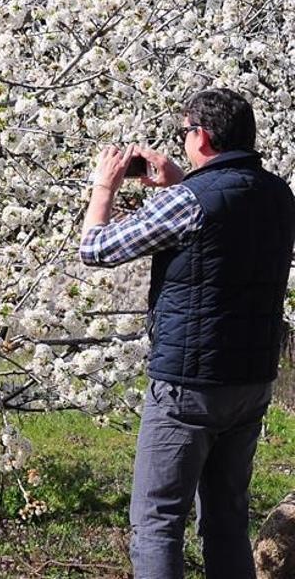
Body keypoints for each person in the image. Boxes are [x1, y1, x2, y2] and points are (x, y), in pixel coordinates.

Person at [79, 88, 295, 579]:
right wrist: (182, 181)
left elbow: (96, 249)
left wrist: (104, 187)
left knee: (156, 523)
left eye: (183, 133)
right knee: (225, 520)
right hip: (250, 381)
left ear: (201, 135)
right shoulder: (277, 194)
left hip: (188, 386)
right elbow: (227, 231)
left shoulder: (188, 201)